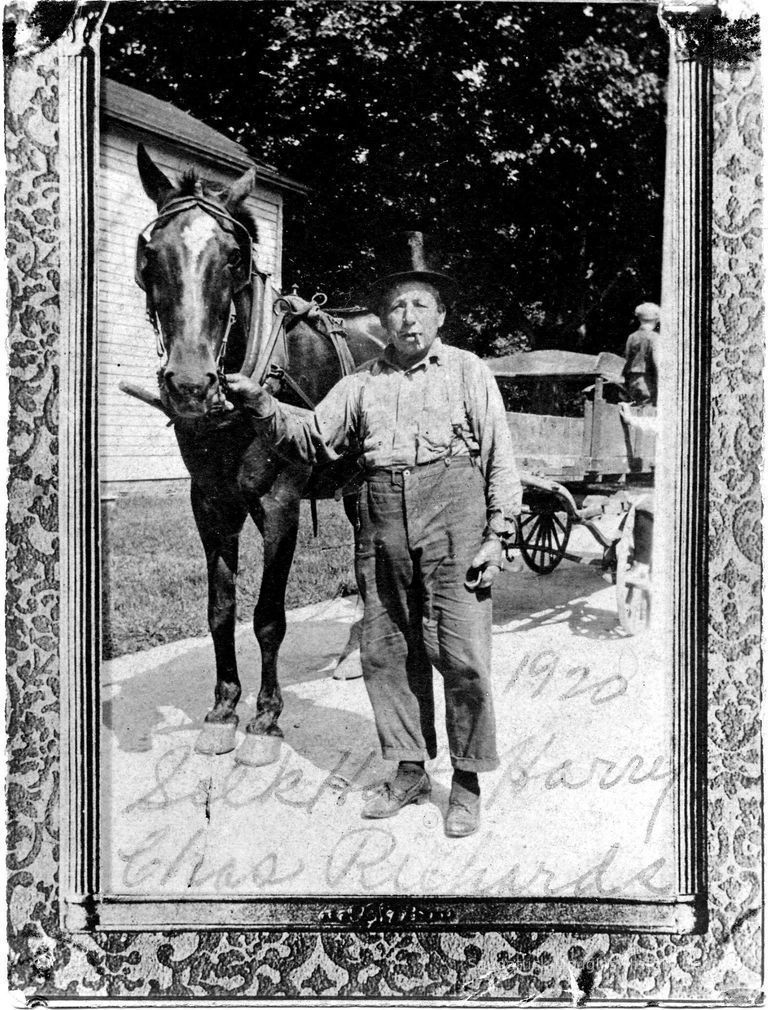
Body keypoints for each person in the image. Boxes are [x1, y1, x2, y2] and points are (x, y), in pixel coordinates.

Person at [226, 232, 522, 838]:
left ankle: (465, 781)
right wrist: (260, 404)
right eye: (395, 307)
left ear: (441, 315)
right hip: (381, 513)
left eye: (419, 305)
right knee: (386, 653)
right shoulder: (360, 383)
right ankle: (410, 769)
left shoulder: (469, 371)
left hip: (455, 513)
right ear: (381, 320)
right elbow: (310, 437)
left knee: (462, 656)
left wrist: (498, 533)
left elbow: (500, 458)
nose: (407, 317)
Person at [622, 302, 660, 406]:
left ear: (639, 318)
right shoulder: (654, 338)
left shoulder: (631, 337)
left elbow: (627, 360)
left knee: (637, 408)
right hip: (648, 381)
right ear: (657, 320)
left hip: (633, 381)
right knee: (649, 411)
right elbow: (657, 363)